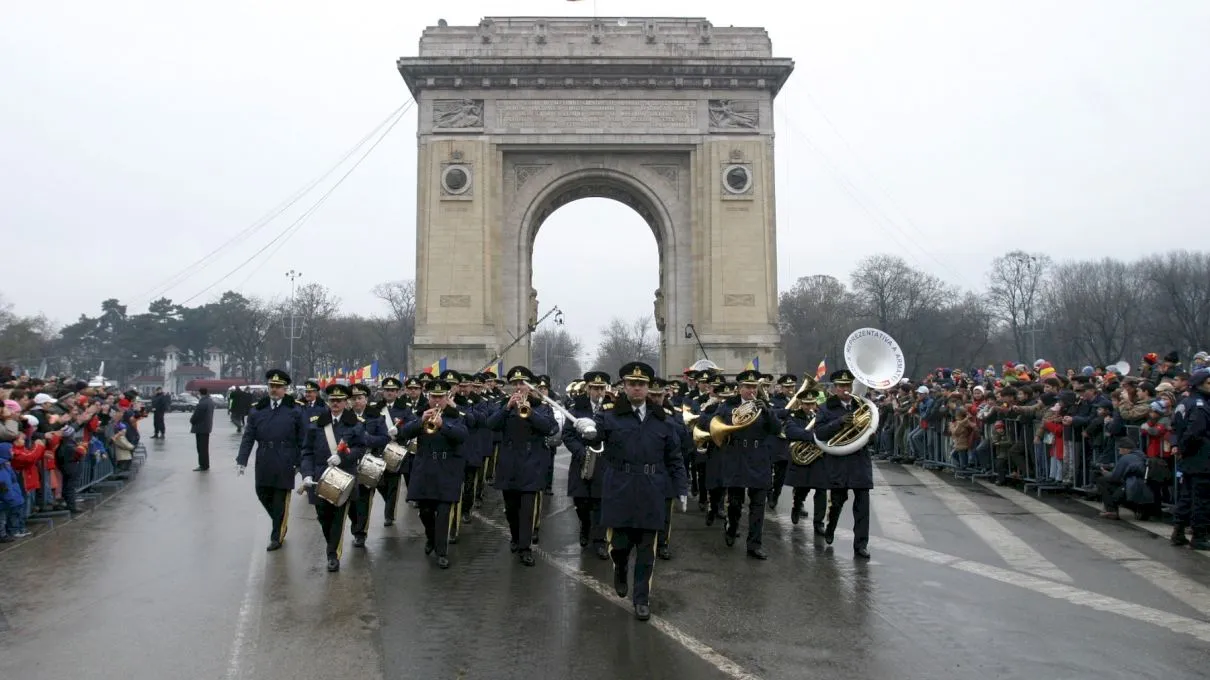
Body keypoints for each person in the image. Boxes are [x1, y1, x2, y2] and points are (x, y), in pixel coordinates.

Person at [574, 361, 688, 621]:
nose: (637, 388)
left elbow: (674, 457)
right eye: (632, 384)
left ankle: (641, 599)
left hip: (652, 488)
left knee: (647, 548)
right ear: (624, 386)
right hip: (620, 487)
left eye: (642, 384)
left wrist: (681, 487)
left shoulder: (664, 419)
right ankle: (620, 566)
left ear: (648, 388)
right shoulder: (609, 414)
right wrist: (586, 430)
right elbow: (595, 437)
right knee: (621, 545)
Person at [486, 366, 559, 566]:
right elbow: (490, 424)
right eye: (515, 384)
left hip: (531, 463)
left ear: (530, 386)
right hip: (509, 462)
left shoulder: (542, 407)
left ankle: (525, 547)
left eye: (522, 383)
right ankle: (516, 537)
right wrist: (507, 408)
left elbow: (550, 428)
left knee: (527, 509)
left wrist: (530, 411)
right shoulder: (503, 405)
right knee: (511, 509)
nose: (519, 387)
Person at [712, 369, 782, 559]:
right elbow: (716, 424)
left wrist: (767, 412)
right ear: (739, 388)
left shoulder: (765, 406)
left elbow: (777, 430)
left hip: (759, 458)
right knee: (735, 503)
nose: (751, 390)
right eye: (747, 387)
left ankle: (754, 544)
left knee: (758, 505)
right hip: (736, 457)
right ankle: (731, 526)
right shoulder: (728, 406)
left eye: (754, 387)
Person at [236, 369, 307, 551]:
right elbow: (248, 436)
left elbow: (303, 438)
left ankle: (277, 535)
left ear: (285, 389)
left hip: (285, 458)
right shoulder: (258, 409)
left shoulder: (295, 409)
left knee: (280, 499)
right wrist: (242, 460)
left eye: (278, 387)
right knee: (262, 492)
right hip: (264, 457)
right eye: (271, 386)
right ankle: (279, 520)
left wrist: (300, 462)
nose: (274, 390)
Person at [299, 384, 367, 572]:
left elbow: (361, 448)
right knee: (323, 516)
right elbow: (307, 452)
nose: (335, 404)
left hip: (343, 476)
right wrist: (306, 474)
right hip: (320, 476)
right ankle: (331, 546)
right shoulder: (316, 424)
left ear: (346, 402)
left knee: (338, 517)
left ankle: (332, 554)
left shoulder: (355, 423)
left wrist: (343, 456)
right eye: (332, 400)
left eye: (339, 400)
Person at [401, 379, 468, 568]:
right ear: (428, 397)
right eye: (433, 397)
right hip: (425, 470)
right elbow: (404, 432)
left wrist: (443, 425)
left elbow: (462, 435)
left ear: (447, 397)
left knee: (444, 512)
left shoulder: (456, 415)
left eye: (441, 397)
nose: (437, 401)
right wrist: (421, 421)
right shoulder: (420, 413)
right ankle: (431, 537)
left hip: (447, 470)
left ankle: (441, 552)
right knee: (425, 512)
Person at [813, 369, 873, 559]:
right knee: (838, 501)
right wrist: (839, 422)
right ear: (834, 388)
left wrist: (871, 435)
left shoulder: (861, 405)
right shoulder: (825, 408)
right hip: (838, 462)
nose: (845, 389)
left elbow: (870, 430)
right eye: (841, 386)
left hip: (859, 460)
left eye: (848, 386)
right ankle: (830, 527)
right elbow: (820, 433)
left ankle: (861, 544)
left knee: (862, 505)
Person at [347, 382, 392, 548]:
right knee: (350, 500)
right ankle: (356, 524)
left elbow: (385, 438)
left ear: (366, 399)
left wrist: (367, 439)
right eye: (353, 398)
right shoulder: (344, 416)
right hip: (349, 461)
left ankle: (360, 533)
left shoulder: (375, 416)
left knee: (363, 500)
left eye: (360, 398)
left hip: (368, 462)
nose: (356, 401)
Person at [1172, 368, 1209, 550]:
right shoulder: (1201, 405)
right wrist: (1185, 448)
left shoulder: (1185, 402)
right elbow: (1194, 432)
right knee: (1200, 499)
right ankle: (1199, 536)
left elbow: (1176, 427)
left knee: (1186, 496)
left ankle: (1178, 531)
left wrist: (1180, 447)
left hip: (1191, 458)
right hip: (1201, 458)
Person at [1095, 437, 1151, 520]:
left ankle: (1112, 510)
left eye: (1119, 449)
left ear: (1125, 449)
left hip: (1130, 490)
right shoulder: (1142, 455)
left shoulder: (1125, 458)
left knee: (1102, 480)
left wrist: (1106, 473)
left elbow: (1115, 477)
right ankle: (1139, 510)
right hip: (1143, 489)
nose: (1119, 452)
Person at [190, 387, 215, 472]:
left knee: (201, 448)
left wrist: (192, 420)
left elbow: (197, 416)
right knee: (204, 447)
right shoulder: (210, 401)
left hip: (201, 428)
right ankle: (205, 464)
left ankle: (202, 465)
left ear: (200, 393)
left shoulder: (202, 403)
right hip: (207, 427)